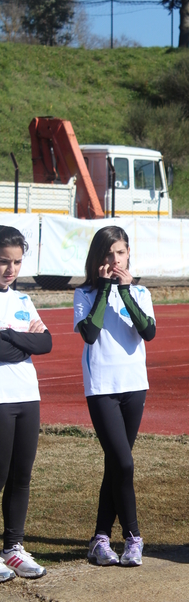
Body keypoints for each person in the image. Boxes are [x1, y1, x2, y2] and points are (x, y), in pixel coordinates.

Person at [73, 226, 156, 568]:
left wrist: (125, 291)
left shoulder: (139, 292)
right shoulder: (84, 293)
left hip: (134, 385)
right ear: (97, 259)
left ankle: (100, 538)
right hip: (102, 387)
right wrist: (106, 288)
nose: (114, 260)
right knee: (123, 462)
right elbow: (90, 334)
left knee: (115, 464)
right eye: (108, 254)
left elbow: (148, 331)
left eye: (120, 253)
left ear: (128, 255)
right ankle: (134, 538)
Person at [0, 225, 52, 580]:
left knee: (22, 475)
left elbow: (46, 342)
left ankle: (13, 548)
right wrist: (21, 341)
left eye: (17, 262)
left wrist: (7, 336)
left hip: (27, 397)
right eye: (4, 261)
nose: (11, 270)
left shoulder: (21, 299)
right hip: (1, 400)